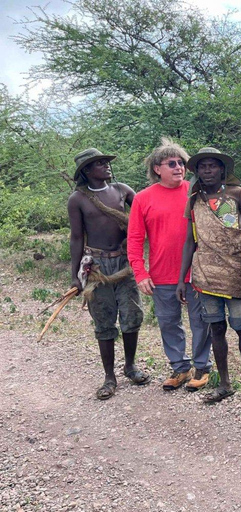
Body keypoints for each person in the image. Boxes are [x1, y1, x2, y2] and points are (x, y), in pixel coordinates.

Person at [176, 147, 241, 404]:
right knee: (216, 328)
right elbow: (190, 242)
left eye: (213, 165)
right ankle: (224, 382)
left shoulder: (238, 194)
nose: (207, 170)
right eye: (202, 167)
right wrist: (183, 279)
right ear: (197, 172)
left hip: (236, 272)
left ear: (223, 169)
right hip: (205, 274)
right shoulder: (194, 199)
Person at [128, 138, 213, 393]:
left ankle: (202, 367)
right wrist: (140, 273)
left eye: (182, 163)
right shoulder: (143, 198)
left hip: (197, 272)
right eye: (172, 163)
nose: (179, 168)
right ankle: (180, 367)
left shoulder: (196, 192)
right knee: (168, 322)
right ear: (157, 168)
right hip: (162, 274)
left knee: (201, 321)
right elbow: (133, 239)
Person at [67, 148, 147, 400]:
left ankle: (131, 366)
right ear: (87, 171)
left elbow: (145, 214)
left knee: (132, 315)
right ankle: (109, 377)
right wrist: (75, 276)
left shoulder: (122, 190)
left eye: (105, 162)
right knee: (104, 320)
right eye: (99, 164)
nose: (106, 166)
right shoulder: (77, 199)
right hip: (98, 268)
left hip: (125, 262)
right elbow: (77, 237)